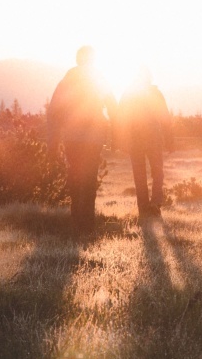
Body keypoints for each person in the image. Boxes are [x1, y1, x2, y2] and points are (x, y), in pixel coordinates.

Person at [47, 46, 116, 235]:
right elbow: (113, 107)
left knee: (75, 176)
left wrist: (52, 143)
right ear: (93, 60)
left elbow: (54, 113)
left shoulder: (66, 81)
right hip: (93, 138)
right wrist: (116, 137)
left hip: (73, 138)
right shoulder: (99, 79)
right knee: (89, 179)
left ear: (77, 59)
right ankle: (87, 224)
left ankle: (76, 220)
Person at [117, 67, 173, 218]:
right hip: (153, 139)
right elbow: (165, 118)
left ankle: (144, 209)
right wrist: (169, 140)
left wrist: (120, 141)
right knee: (158, 173)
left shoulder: (128, 94)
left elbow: (119, 118)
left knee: (140, 175)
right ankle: (155, 204)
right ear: (149, 78)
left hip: (135, 141)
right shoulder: (155, 94)